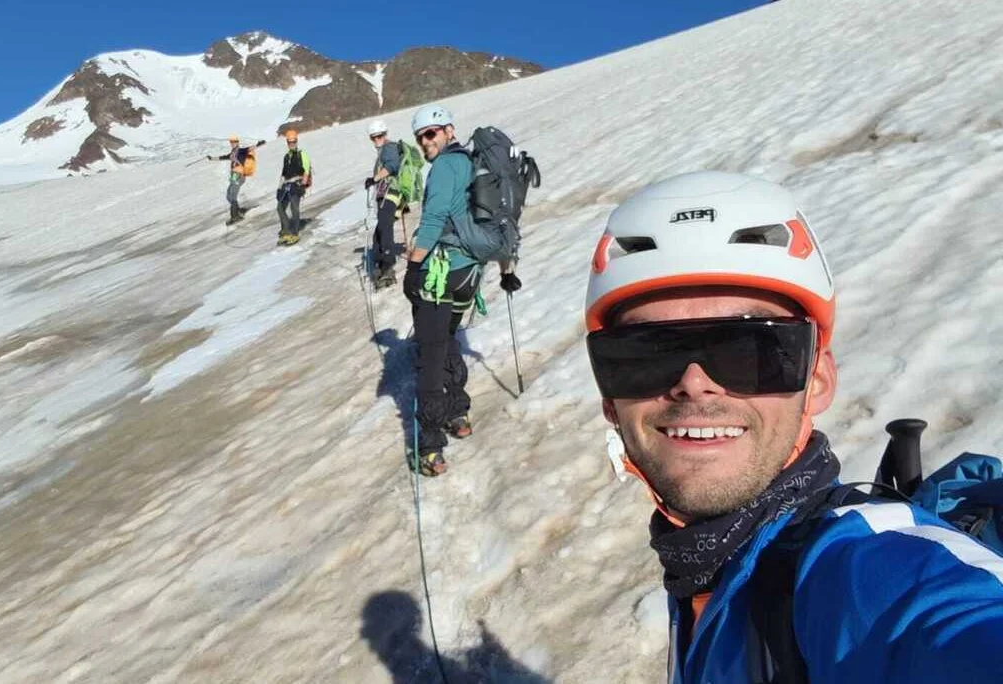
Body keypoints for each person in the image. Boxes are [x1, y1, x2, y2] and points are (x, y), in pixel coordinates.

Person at [583, 170, 1003, 683]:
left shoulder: (870, 570)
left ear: (820, 379)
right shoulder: (701, 561)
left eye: (752, 349)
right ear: (610, 399)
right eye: (645, 354)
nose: (695, 384)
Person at [404, 104, 479, 476]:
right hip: (469, 272)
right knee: (448, 337)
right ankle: (459, 413)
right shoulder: (470, 163)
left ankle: (430, 446)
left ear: (449, 130)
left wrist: (414, 266)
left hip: (441, 271)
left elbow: (433, 219)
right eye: (420, 137)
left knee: (430, 353)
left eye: (430, 133)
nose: (424, 142)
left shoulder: (446, 166)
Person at [364, 119, 402, 288]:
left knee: (385, 228)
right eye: (374, 137)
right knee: (380, 231)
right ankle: (380, 264)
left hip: (391, 194)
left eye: (379, 136)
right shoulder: (383, 151)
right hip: (385, 195)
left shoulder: (389, 148)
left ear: (385, 134)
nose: (377, 140)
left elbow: (393, 166)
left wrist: (374, 178)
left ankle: (387, 266)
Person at [206, 135, 265, 224]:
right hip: (234, 176)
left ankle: (235, 216)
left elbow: (249, 149)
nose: (232, 143)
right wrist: (212, 158)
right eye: (231, 142)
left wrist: (258, 144)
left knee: (232, 195)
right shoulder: (232, 153)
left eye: (234, 142)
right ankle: (238, 210)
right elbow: (223, 157)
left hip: (239, 175)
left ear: (237, 143)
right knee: (229, 195)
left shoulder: (241, 151)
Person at [276, 129, 311, 246]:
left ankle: (294, 233)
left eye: (293, 142)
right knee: (280, 207)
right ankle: (286, 231)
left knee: (294, 208)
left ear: (296, 141)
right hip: (286, 185)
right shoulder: (286, 157)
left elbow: (306, 169)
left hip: (297, 184)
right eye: (290, 142)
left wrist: (304, 184)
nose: (292, 144)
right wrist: (279, 188)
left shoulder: (302, 154)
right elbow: (283, 173)